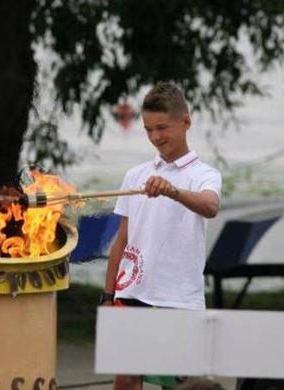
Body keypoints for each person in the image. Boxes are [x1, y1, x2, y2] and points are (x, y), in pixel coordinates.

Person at [101, 82, 222, 390]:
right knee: (126, 381)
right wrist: (108, 294)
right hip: (131, 292)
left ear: (186, 122)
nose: (156, 137)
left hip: (179, 296)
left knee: (184, 384)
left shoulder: (205, 175)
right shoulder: (136, 176)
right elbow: (122, 239)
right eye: (148, 129)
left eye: (162, 128)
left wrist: (173, 191)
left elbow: (210, 206)